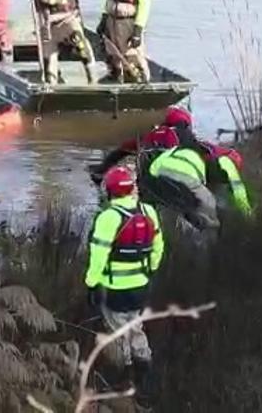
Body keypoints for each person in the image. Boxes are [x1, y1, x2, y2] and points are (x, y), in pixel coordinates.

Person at [85, 166, 164, 407]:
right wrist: (149, 269)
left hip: (115, 290)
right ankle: (146, 375)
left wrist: (91, 284)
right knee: (135, 327)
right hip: (141, 287)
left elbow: (98, 256)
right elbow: (158, 247)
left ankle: (123, 380)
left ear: (110, 192)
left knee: (118, 333)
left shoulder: (108, 218)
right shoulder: (148, 211)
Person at [88, 105, 195, 182]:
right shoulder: (186, 134)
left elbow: (141, 143)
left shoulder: (163, 130)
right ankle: (101, 170)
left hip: (160, 158)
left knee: (122, 152)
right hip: (173, 159)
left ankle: (100, 172)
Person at [201, 142, 253, 218]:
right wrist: (247, 212)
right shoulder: (228, 162)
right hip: (206, 172)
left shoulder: (216, 154)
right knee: (220, 202)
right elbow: (238, 190)